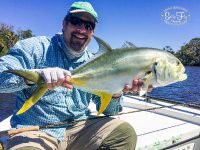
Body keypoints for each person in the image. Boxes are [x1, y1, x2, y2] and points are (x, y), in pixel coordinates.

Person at [0, 2, 150, 150]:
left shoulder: (96, 63)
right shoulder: (35, 47)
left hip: (80, 128)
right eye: (75, 21)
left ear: (92, 32)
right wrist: (31, 77)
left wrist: (117, 89)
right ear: (64, 23)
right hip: (37, 131)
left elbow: (110, 111)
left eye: (88, 26)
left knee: (124, 134)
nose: (81, 29)